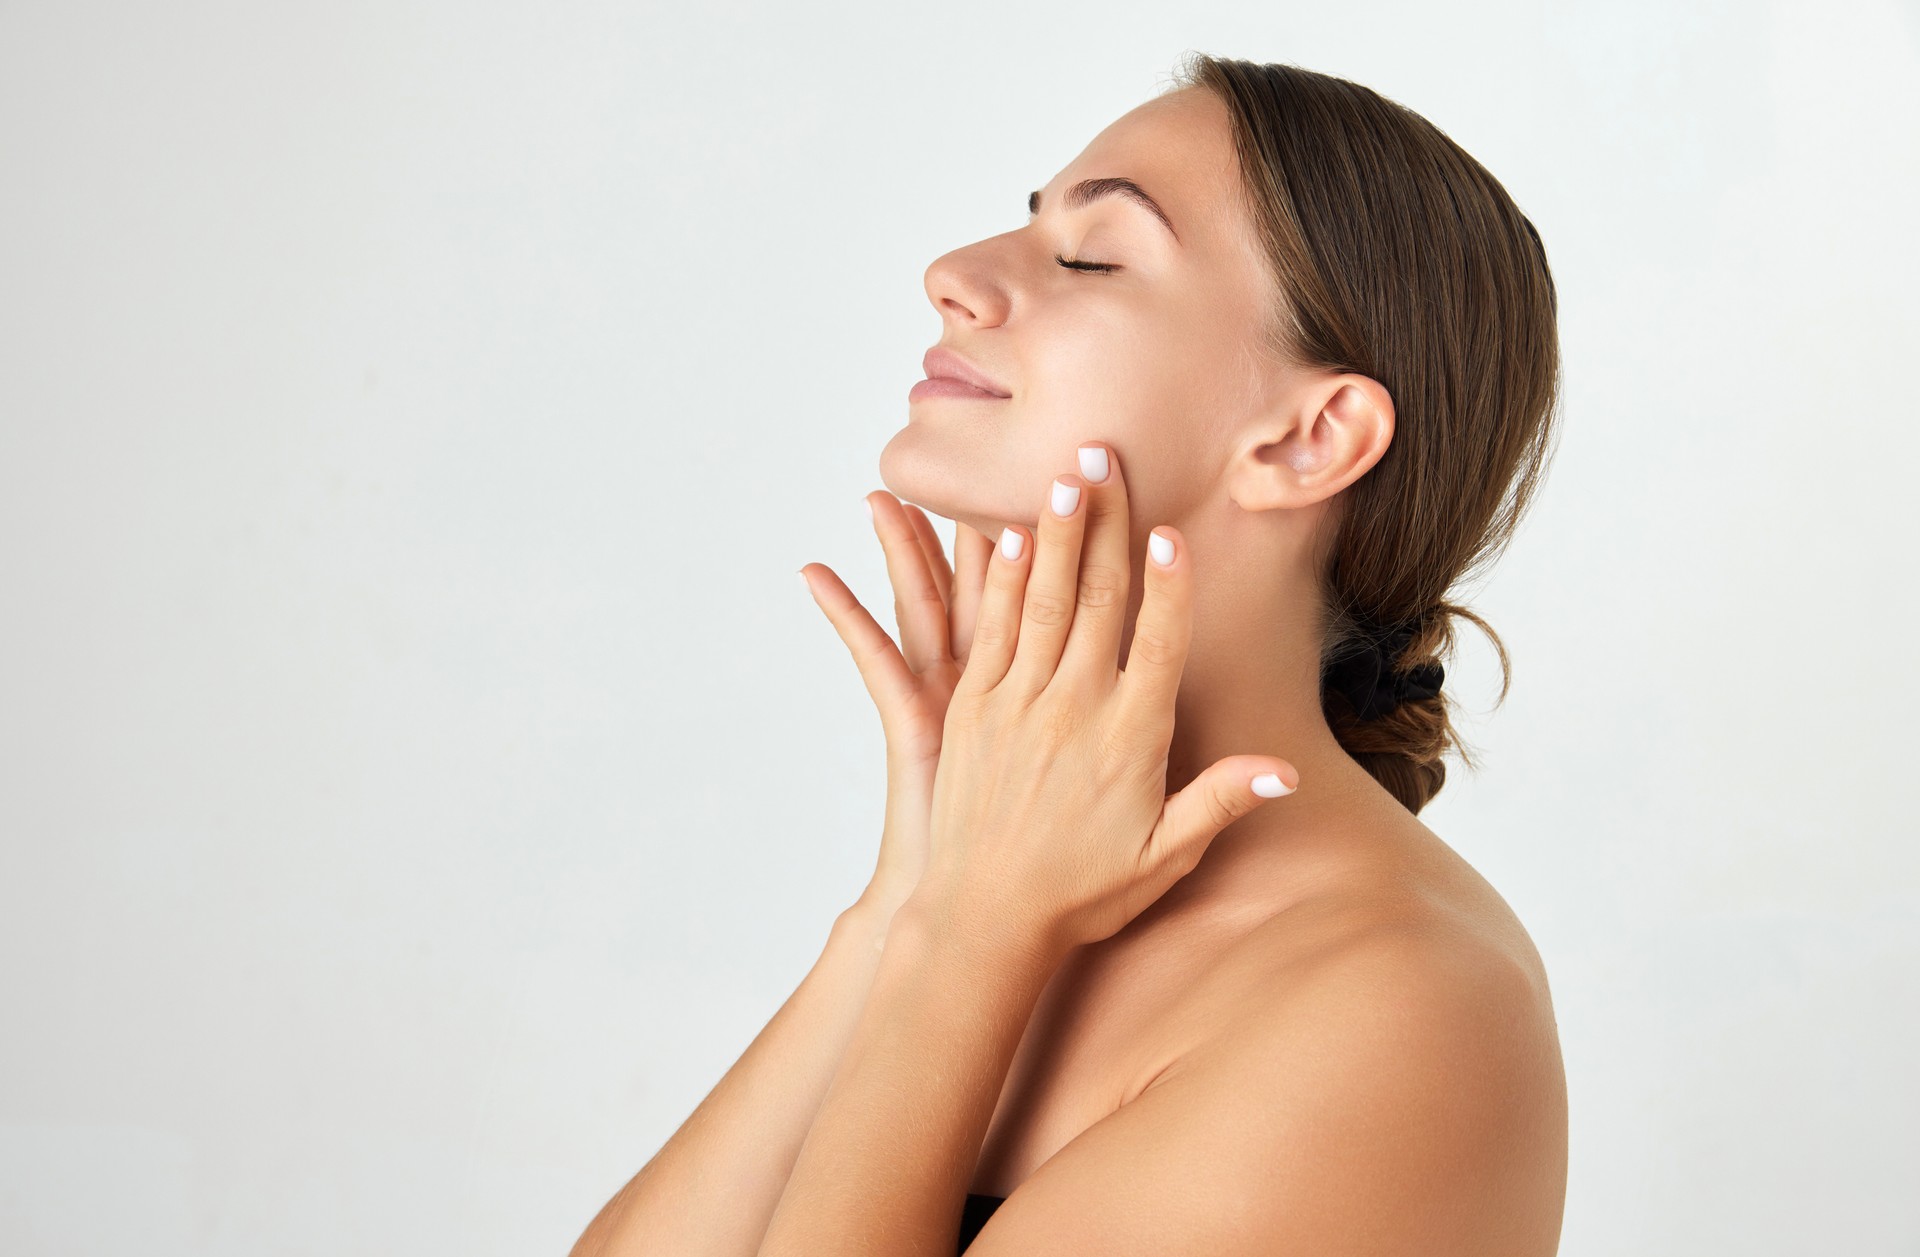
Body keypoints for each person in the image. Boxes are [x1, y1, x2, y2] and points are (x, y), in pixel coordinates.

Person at [571, 53, 1567, 1257]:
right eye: (1030, 220)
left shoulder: (1407, 1005)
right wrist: (913, 895)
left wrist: (967, 939)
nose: (953, 276)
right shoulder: (988, 878)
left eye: (1092, 257)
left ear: (1310, 437)